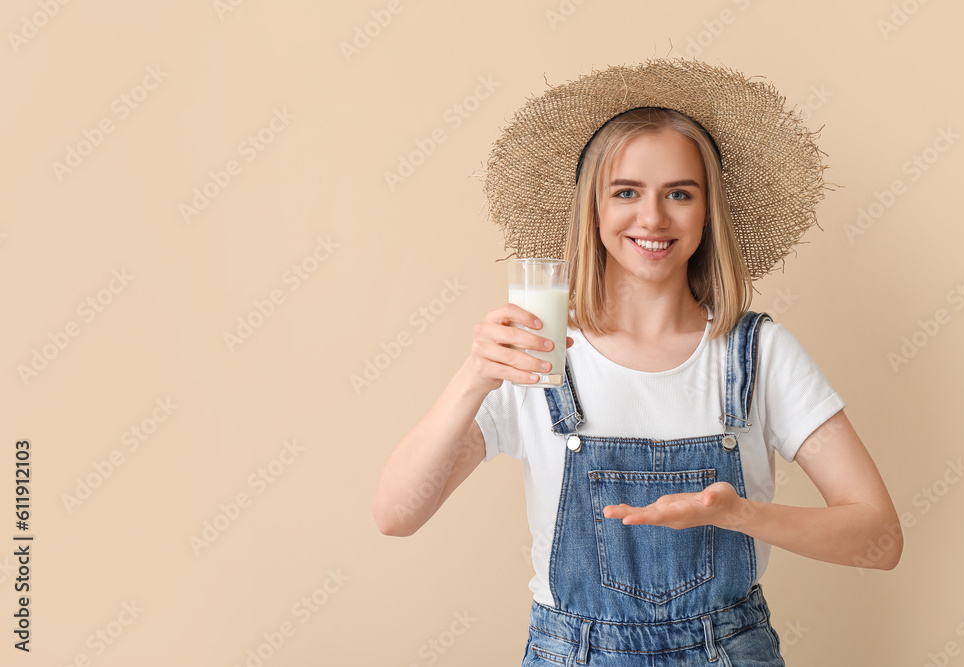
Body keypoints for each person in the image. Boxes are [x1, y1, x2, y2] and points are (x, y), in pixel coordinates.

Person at [373, 59, 902, 666]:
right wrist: (473, 377)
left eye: (680, 193)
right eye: (626, 192)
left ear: (707, 214)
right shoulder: (538, 354)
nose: (652, 218)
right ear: (592, 210)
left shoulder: (758, 353)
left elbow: (879, 540)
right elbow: (395, 515)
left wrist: (739, 514)